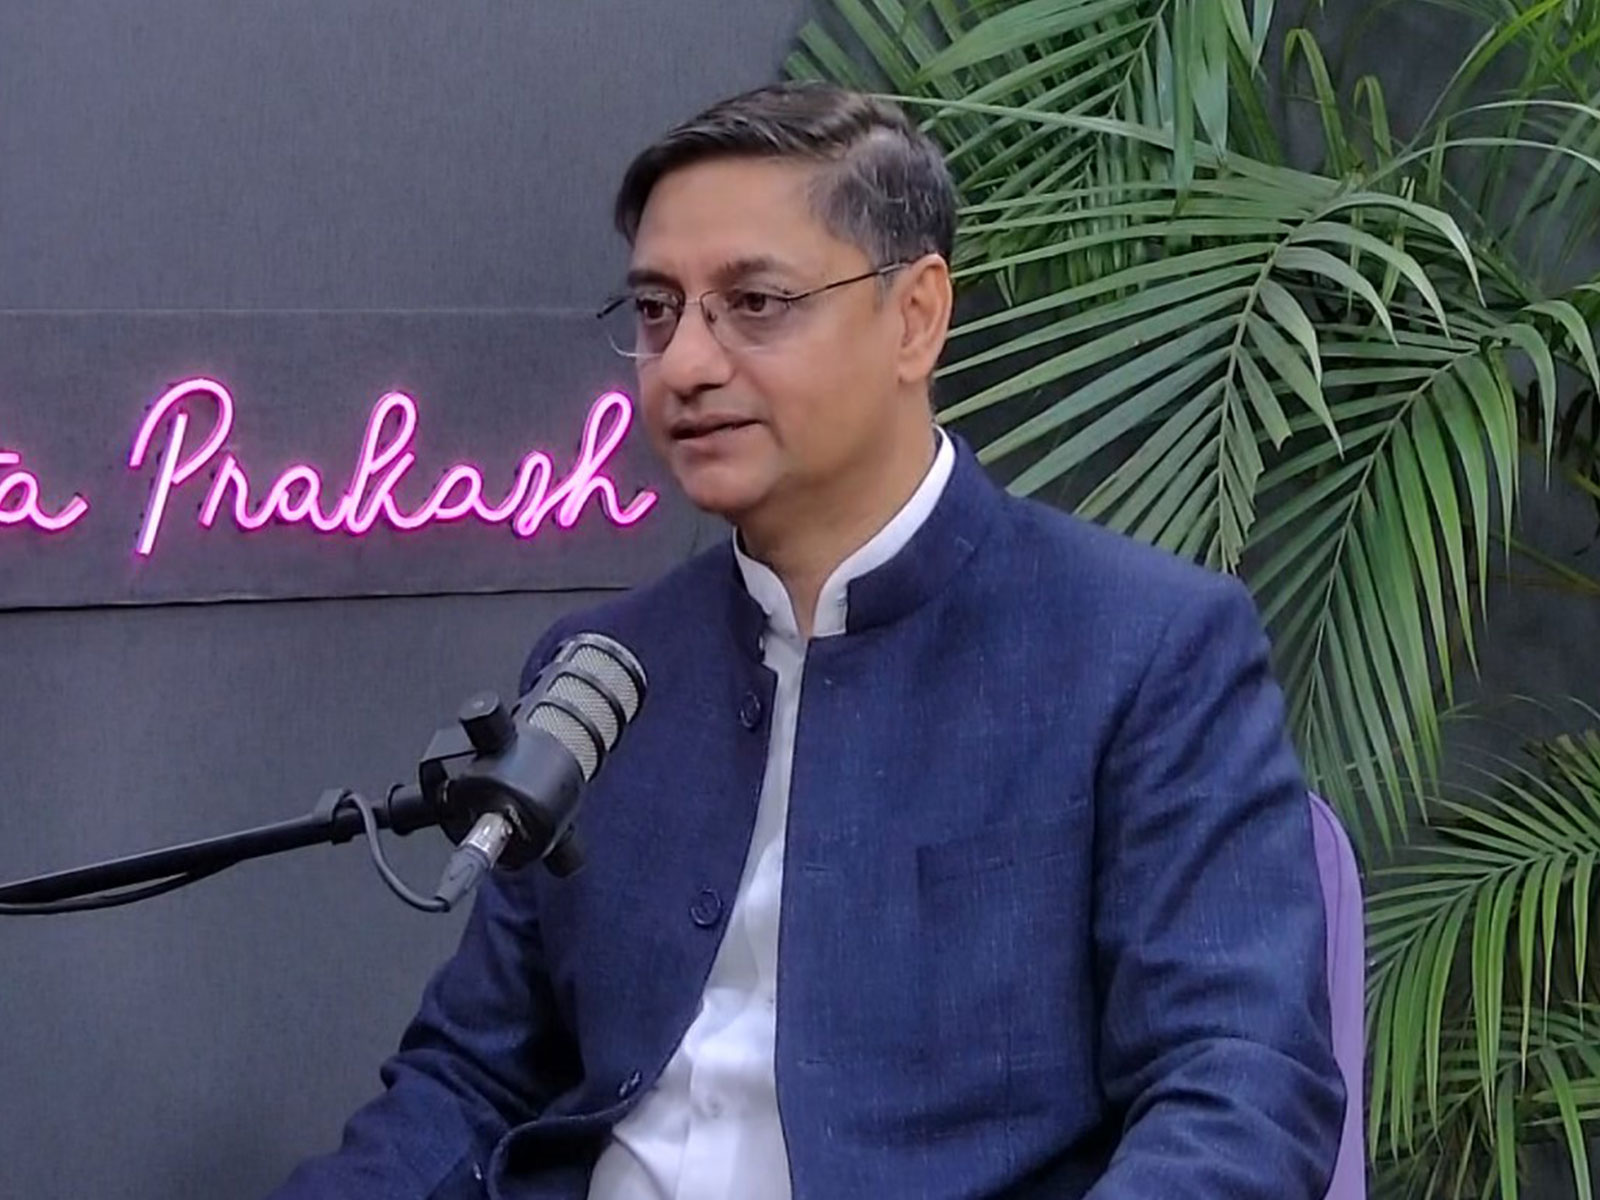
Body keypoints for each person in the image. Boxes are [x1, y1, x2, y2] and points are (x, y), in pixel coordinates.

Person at [270, 81, 1344, 1200]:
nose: (685, 363)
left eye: (756, 303)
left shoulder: (1143, 649)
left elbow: (1239, 1091)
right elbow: (470, 1081)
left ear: (915, 317)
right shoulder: (600, 673)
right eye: (655, 311)